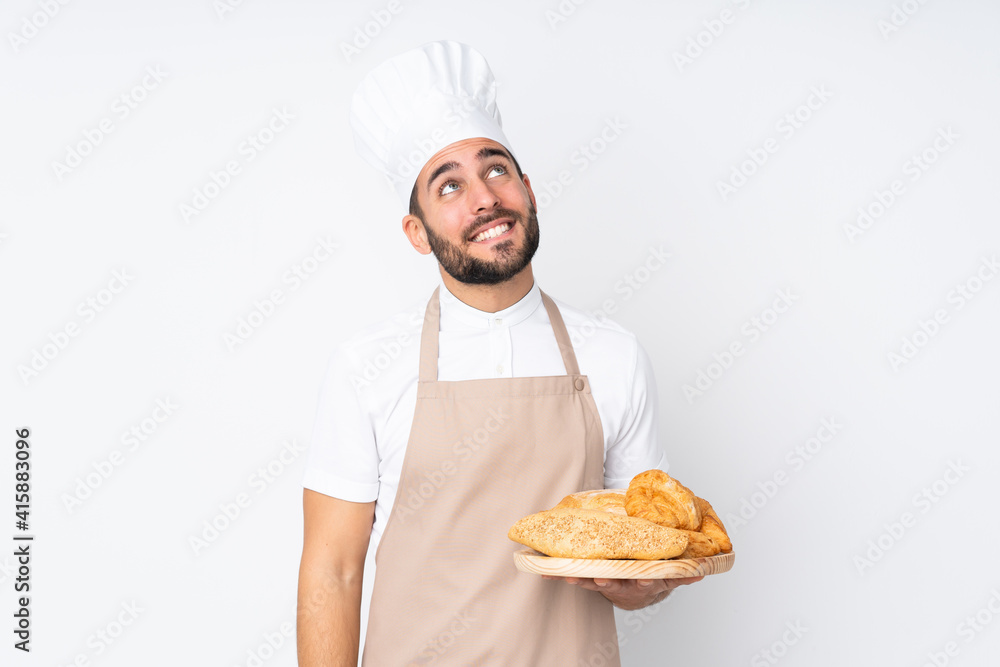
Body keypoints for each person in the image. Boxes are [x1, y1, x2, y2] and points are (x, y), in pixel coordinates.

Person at [296, 40, 701, 666]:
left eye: (495, 169)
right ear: (417, 234)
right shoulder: (367, 368)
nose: (484, 198)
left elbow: (646, 551)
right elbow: (333, 572)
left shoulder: (614, 357)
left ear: (528, 190)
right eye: (448, 185)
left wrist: (647, 584)